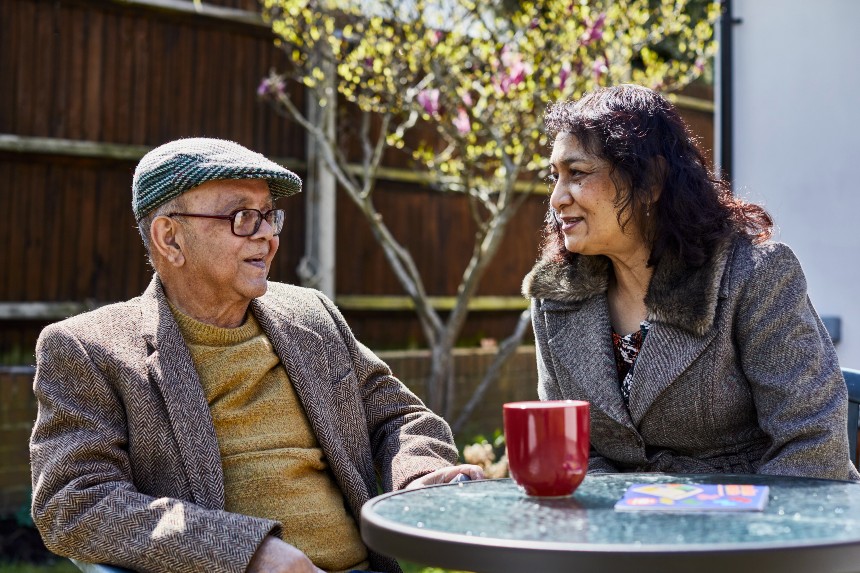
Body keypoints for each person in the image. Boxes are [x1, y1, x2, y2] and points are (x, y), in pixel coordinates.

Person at [30, 138, 483, 573]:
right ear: (170, 238)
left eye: (269, 216)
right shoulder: (90, 348)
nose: (267, 235)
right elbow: (74, 502)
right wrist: (245, 554)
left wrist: (420, 475)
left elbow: (398, 416)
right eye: (243, 217)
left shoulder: (310, 314)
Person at [522, 84, 859, 480]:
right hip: (621, 534)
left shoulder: (754, 277)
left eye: (577, 173)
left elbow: (813, 446)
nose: (557, 197)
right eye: (555, 176)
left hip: (750, 527)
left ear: (650, 181)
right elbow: (572, 453)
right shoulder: (555, 296)